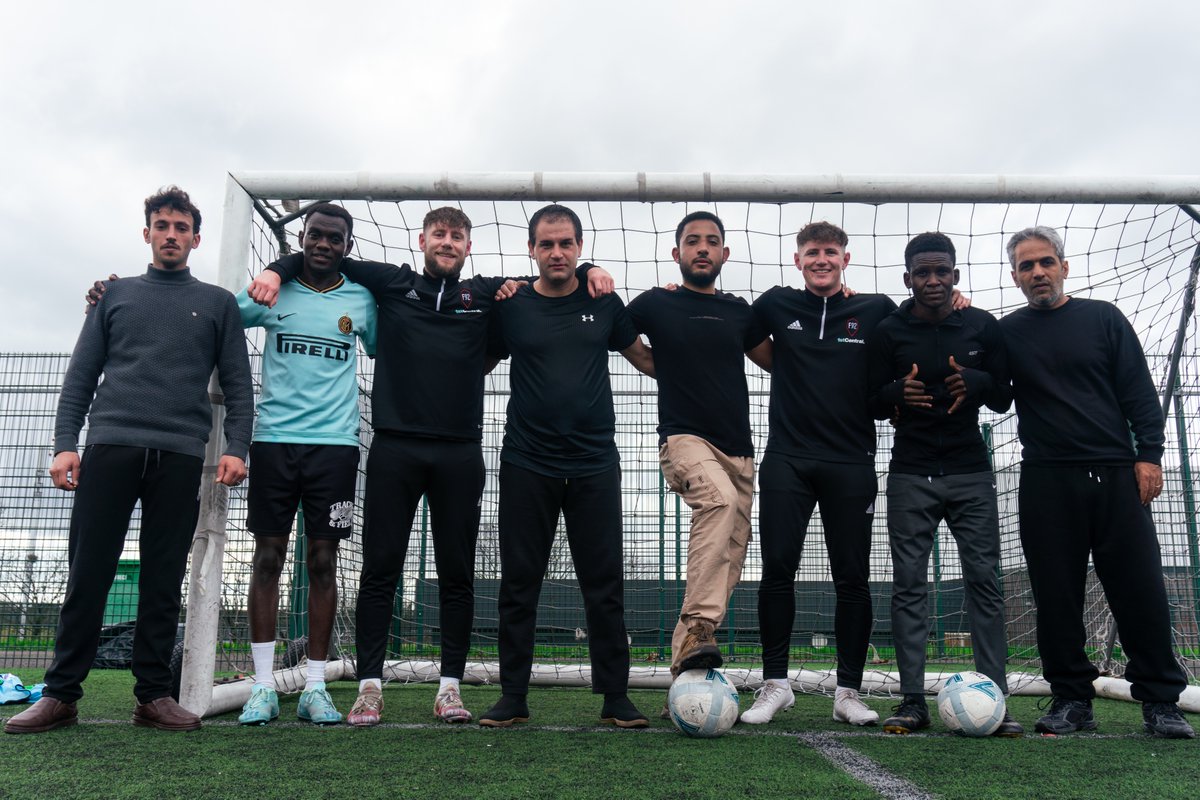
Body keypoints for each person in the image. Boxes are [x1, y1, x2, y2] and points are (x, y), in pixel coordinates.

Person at [250, 208, 612, 725]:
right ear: (422, 240)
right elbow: (324, 254)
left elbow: (553, 270)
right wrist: (275, 270)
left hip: (459, 454)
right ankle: (370, 686)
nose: (447, 242)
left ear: (469, 246)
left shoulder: (488, 295)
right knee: (380, 570)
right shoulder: (391, 282)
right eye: (439, 234)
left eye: (457, 236)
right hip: (395, 449)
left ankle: (449, 688)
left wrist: (593, 264)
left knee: (457, 575)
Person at [5, 187, 254, 735]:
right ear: (147, 233)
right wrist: (65, 443)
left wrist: (236, 446)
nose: (171, 234)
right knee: (88, 574)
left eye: (181, 227)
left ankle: (152, 697)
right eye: (161, 225)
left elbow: (239, 384)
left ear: (195, 237)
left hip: (182, 454)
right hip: (110, 447)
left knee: (163, 581)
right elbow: (80, 376)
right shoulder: (115, 298)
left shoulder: (218, 304)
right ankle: (61, 695)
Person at [1000, 226, 1194, 739]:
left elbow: (1137, 391)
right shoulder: (1008, 331)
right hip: (1046, 480)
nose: (1037, 272)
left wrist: (1148, 456)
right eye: (1026, 266)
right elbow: (993, 391)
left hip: (1115, 474)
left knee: (1140, 589)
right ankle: (1071, 699)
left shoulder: (1103, 318)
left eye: (1045, 262)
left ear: (1064, 266)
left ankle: (1159, 701)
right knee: (1056, 595)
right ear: (1015, 276)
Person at [478, 204, 653, 728]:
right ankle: (513, 696)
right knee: (519, 582)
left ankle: (615, 697)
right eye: (547, 244)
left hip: (595, 464)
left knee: (603, 584)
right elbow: (474, 361)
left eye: (567, 243)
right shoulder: (511, 306)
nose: (557, 252)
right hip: (527, 461)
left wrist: (702, 352)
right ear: (532, 250)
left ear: (580, 247)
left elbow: (646, 360)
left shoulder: (604, 300)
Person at [866, 232, 1021, 736]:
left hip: (970, 472)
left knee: (984, 580)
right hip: (911, 472)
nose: (932, 281)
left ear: (955, 275)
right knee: (909, 585)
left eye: (942, 272)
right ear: (907, 278)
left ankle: (993, 694)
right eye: (922, 273)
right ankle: (912, 700)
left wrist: (977, 383)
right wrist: (896, 393)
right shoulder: (889, 331)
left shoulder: (981, 326)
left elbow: (1003, 397)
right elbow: (866, 399)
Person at [742, 221, 897, 727]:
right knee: (777, 571)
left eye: (830, 252)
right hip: (788, 457)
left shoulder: (874, 309)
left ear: (845, 259)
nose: (821, 260)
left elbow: (916, 328)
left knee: (852, 578)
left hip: (851, 462)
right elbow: (734, 330)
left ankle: (848, 692)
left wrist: (957, 301)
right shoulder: (776, 303)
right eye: (812, 252)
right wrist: (784, 364)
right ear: (798, 260)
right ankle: (775, 684)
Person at [234, 203, 376, 726]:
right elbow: (224, 314)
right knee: (267, 558)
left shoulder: (360, 300)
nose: (322, 244)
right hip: (273, 443)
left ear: (347, 245)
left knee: (323, 561)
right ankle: (263, 686)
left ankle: (316, 685)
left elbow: (386, 346)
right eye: (314, 235)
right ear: (301, 239)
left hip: (335, 448)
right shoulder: (273, 291)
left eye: (333, 238)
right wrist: (271, 272)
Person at [626, 212, 771, 716]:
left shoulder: (739, 312)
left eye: (712, 242)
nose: (702, 249)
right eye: (693, 242)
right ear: (677, 253)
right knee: (718, 502)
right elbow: (621, 333)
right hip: (685, 439)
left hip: (740, 450)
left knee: (728, 559)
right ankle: (702, 628)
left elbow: (777, 358)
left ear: (725, 254)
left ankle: (682, 679)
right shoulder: (655, 303)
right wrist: (595, 270)